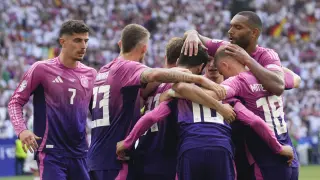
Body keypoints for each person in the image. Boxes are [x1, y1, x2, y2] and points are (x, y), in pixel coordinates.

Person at [117, 46, 294, 180]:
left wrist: (127, 142)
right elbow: (254, 121)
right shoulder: (227, 94)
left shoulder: (179, 95)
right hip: (221, 150)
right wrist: (279, 147)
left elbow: (151, 117)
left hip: (189, 149)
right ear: (203, 67)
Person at [87, 24, 226, 180]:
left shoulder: (105, 71)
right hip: (133, 160)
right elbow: (155, 80)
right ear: (145, 49)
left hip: (104, 157)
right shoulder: (135, 71)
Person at [8, 20, 97, 180]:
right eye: (77, 40)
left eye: (86, 41)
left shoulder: (91, 74)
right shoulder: (41, 69)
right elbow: (15, 102)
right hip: (51, 154)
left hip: (81, 154)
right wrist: (22, 130)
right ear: (62, 42)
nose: (83, 46)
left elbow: (97, 113)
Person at [212, 48, 299, 179]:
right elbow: (296, 79)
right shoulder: (272, 78)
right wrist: (275, 67)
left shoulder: (238, 82)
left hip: (268, 157)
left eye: (220, 70)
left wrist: (185, 88)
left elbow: (216, 93)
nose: (222, 75)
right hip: (290, 157)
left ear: (225, 65)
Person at [183, 11, 285, 96]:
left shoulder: (267, 55)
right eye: (231, 26)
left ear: (254, 33)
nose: (230, 31)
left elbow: (279, 87)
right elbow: (194, 35)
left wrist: (247, 60)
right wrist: (192, 34)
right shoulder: (225, 48)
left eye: (238, 27)